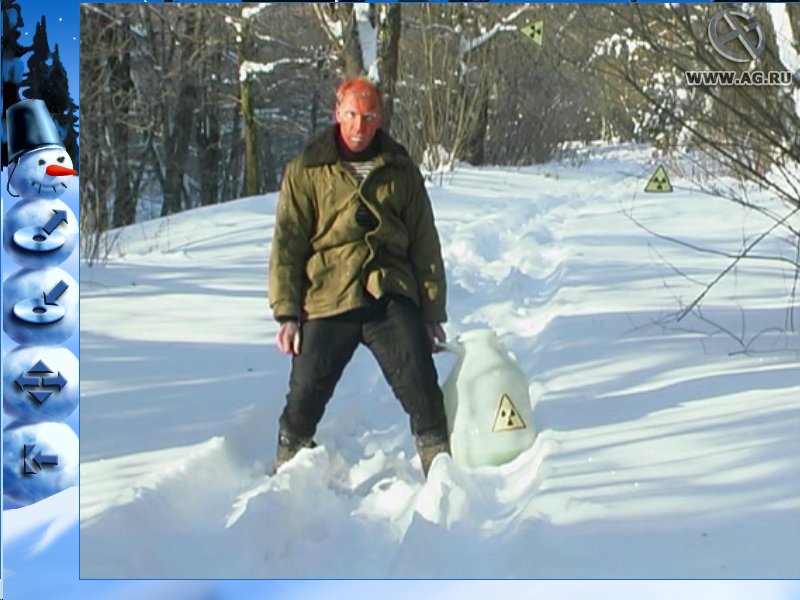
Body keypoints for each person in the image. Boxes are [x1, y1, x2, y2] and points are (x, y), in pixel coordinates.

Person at [269, 77, 450, 478]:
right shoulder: (307, 168)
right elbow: (288, 244)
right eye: (351, 115)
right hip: (328, 293)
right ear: (337, 113)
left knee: (421, 382)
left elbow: (424, 241)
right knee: (305, 392)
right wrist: (287, 314)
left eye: (368, 117)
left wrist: (431, 310)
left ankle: (439, 461)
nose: (359, 126)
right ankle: (288, 460)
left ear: (380, 119)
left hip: (388, 290)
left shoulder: (400, 168)